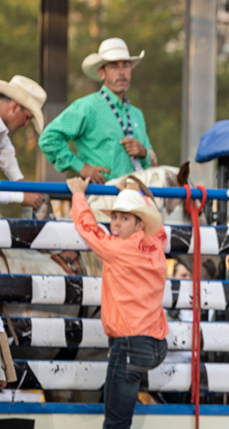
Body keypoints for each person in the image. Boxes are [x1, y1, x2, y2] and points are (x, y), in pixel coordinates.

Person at [67, 176, 168, 429]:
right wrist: (135, 197)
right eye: (115, 217)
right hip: (155, 344)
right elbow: (160, 229)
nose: (115, 224)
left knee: (116, 423)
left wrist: (79, 195)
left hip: (129, 346)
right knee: (119, 419)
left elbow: (87, 227)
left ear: (138, 224)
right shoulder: (156, 243)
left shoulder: (118, 249)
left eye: (124, 218)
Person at [40, 38, 156, 184]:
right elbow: (49, 138)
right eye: (114, 66)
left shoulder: (136, 114)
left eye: (126, 65)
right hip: (102, 196)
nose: (122, 72)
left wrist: (144, 152)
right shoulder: (87, 106)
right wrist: (81, 167)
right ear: (102, 73)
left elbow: (153, 162)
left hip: (137, 196)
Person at [0, 75, 47, 210]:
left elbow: (4, 150)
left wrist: (21, 184)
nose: (25, 124)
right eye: (27, 117)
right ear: (14, 107)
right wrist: (20, 196)